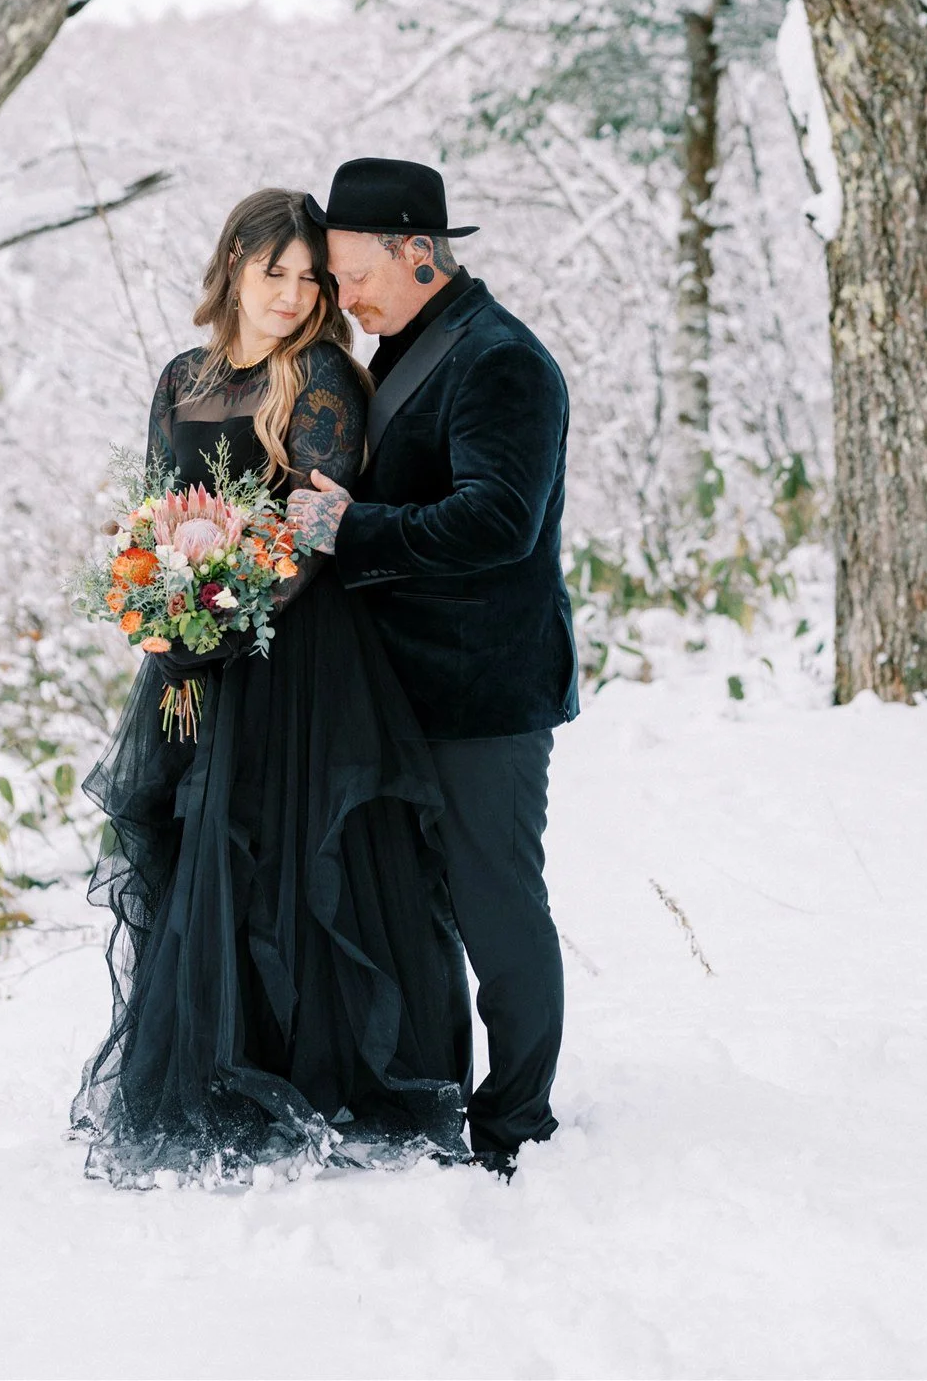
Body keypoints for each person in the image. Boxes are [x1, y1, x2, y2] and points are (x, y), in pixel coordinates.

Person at [71, 188, 470, 1188]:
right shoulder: (183, 376)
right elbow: (168, 505)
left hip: (299, 653)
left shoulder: (322, 376)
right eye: (273, 272)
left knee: (293, 856)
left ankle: (324, 1072)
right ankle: (217, 1062)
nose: (293, 294)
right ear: (234, 267)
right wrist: (162, 611)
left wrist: (227, 611)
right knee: (208, 852)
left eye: (309, 277)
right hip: (199, 650)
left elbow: (313, 526)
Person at [288, 157, 578, 1177]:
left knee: (498, 907)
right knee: (427, 911)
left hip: (481, 693)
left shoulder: (501, 359)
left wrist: (346, 526)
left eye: (353, 269)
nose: (342, 293)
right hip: (405, 690)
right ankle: (437, 1091)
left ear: (418, 250)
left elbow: (500, 521)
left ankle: (519, 1122)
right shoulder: (411, 345)